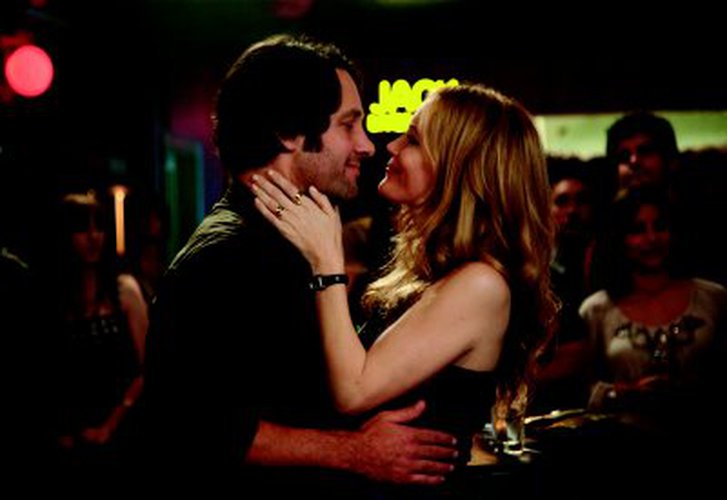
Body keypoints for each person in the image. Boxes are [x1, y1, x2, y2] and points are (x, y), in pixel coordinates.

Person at [140, 34, 457, 497]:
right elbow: (190, 424)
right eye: (348, 124)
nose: (367, 145)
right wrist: (354, 451)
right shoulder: (225, 256)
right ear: (287, 132)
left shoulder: (288, 242)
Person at [251, 82, 559, 497]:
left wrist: (327, 263)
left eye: (413, 139)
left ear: (458, 167)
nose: (391, 146)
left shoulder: (481, 284)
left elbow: (353, 391)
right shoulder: (443, 270)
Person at [47, 190, 148, 474]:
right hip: (73, 442)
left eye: (99, 226)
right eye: (83, 227)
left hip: (123, 436)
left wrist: (110, 425)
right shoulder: (57, 301)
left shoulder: (123, 291)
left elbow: (149, 367)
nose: (94, 236)